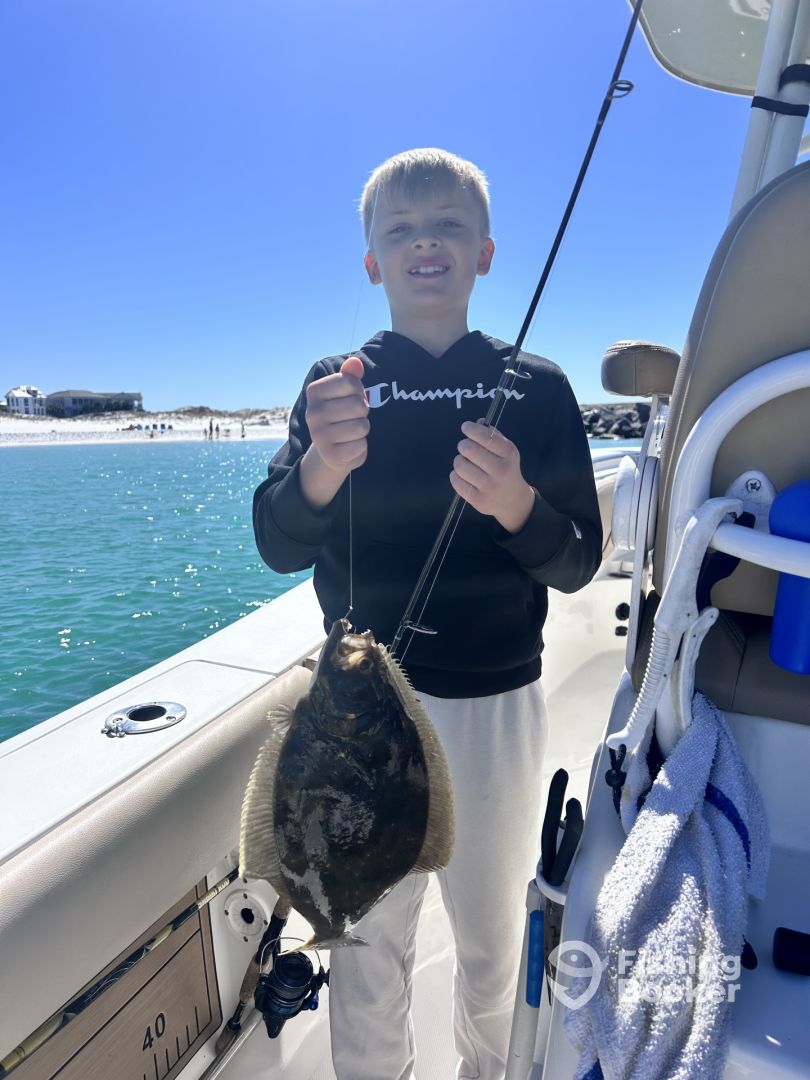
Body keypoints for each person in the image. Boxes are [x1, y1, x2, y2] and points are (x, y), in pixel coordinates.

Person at [252, 148, 601, 1080]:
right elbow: (278, 542)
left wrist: (519, 506)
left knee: (490, 942)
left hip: (495, 707)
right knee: (365, 950)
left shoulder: (539, 387)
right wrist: (320, 467)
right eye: (401, 229)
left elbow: (579, 560)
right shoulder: (336, 382)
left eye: (449, 223)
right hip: (358, 711)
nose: (425, 242)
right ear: (373, 262)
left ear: (484, 252)